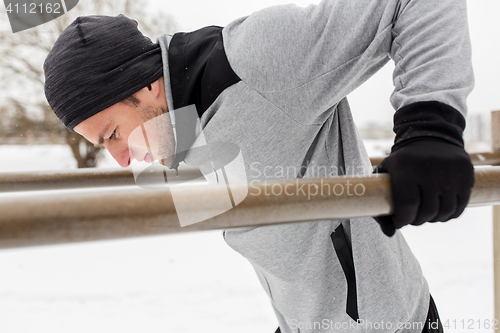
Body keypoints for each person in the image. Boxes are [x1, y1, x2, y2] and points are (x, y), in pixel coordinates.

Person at [43, 0, 474, 331]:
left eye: (112, 135)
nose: (120, 160)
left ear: (149, 86)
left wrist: (430, 126)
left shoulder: (254, 62)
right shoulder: (178, 130)